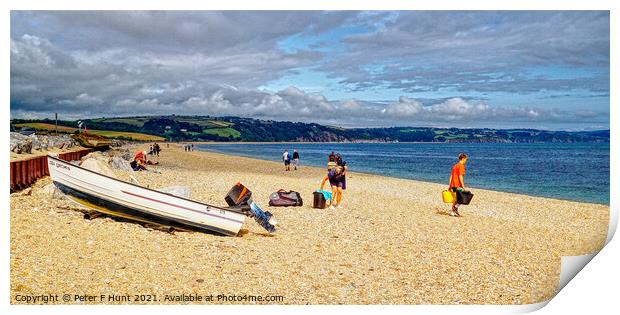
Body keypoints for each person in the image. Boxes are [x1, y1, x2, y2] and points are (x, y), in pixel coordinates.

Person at [448, 153, 468, 217]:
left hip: (453, 185)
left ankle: (453, 211)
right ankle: (454, 208)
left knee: (456, 199)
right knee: (462, 198)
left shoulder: (455, 166)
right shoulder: (461, 166)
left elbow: (451, 176)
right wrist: (463, 186)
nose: (466, 161)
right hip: (458, 185)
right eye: (466, 160)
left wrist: (449, 185)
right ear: (463, 158)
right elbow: (460, 176)